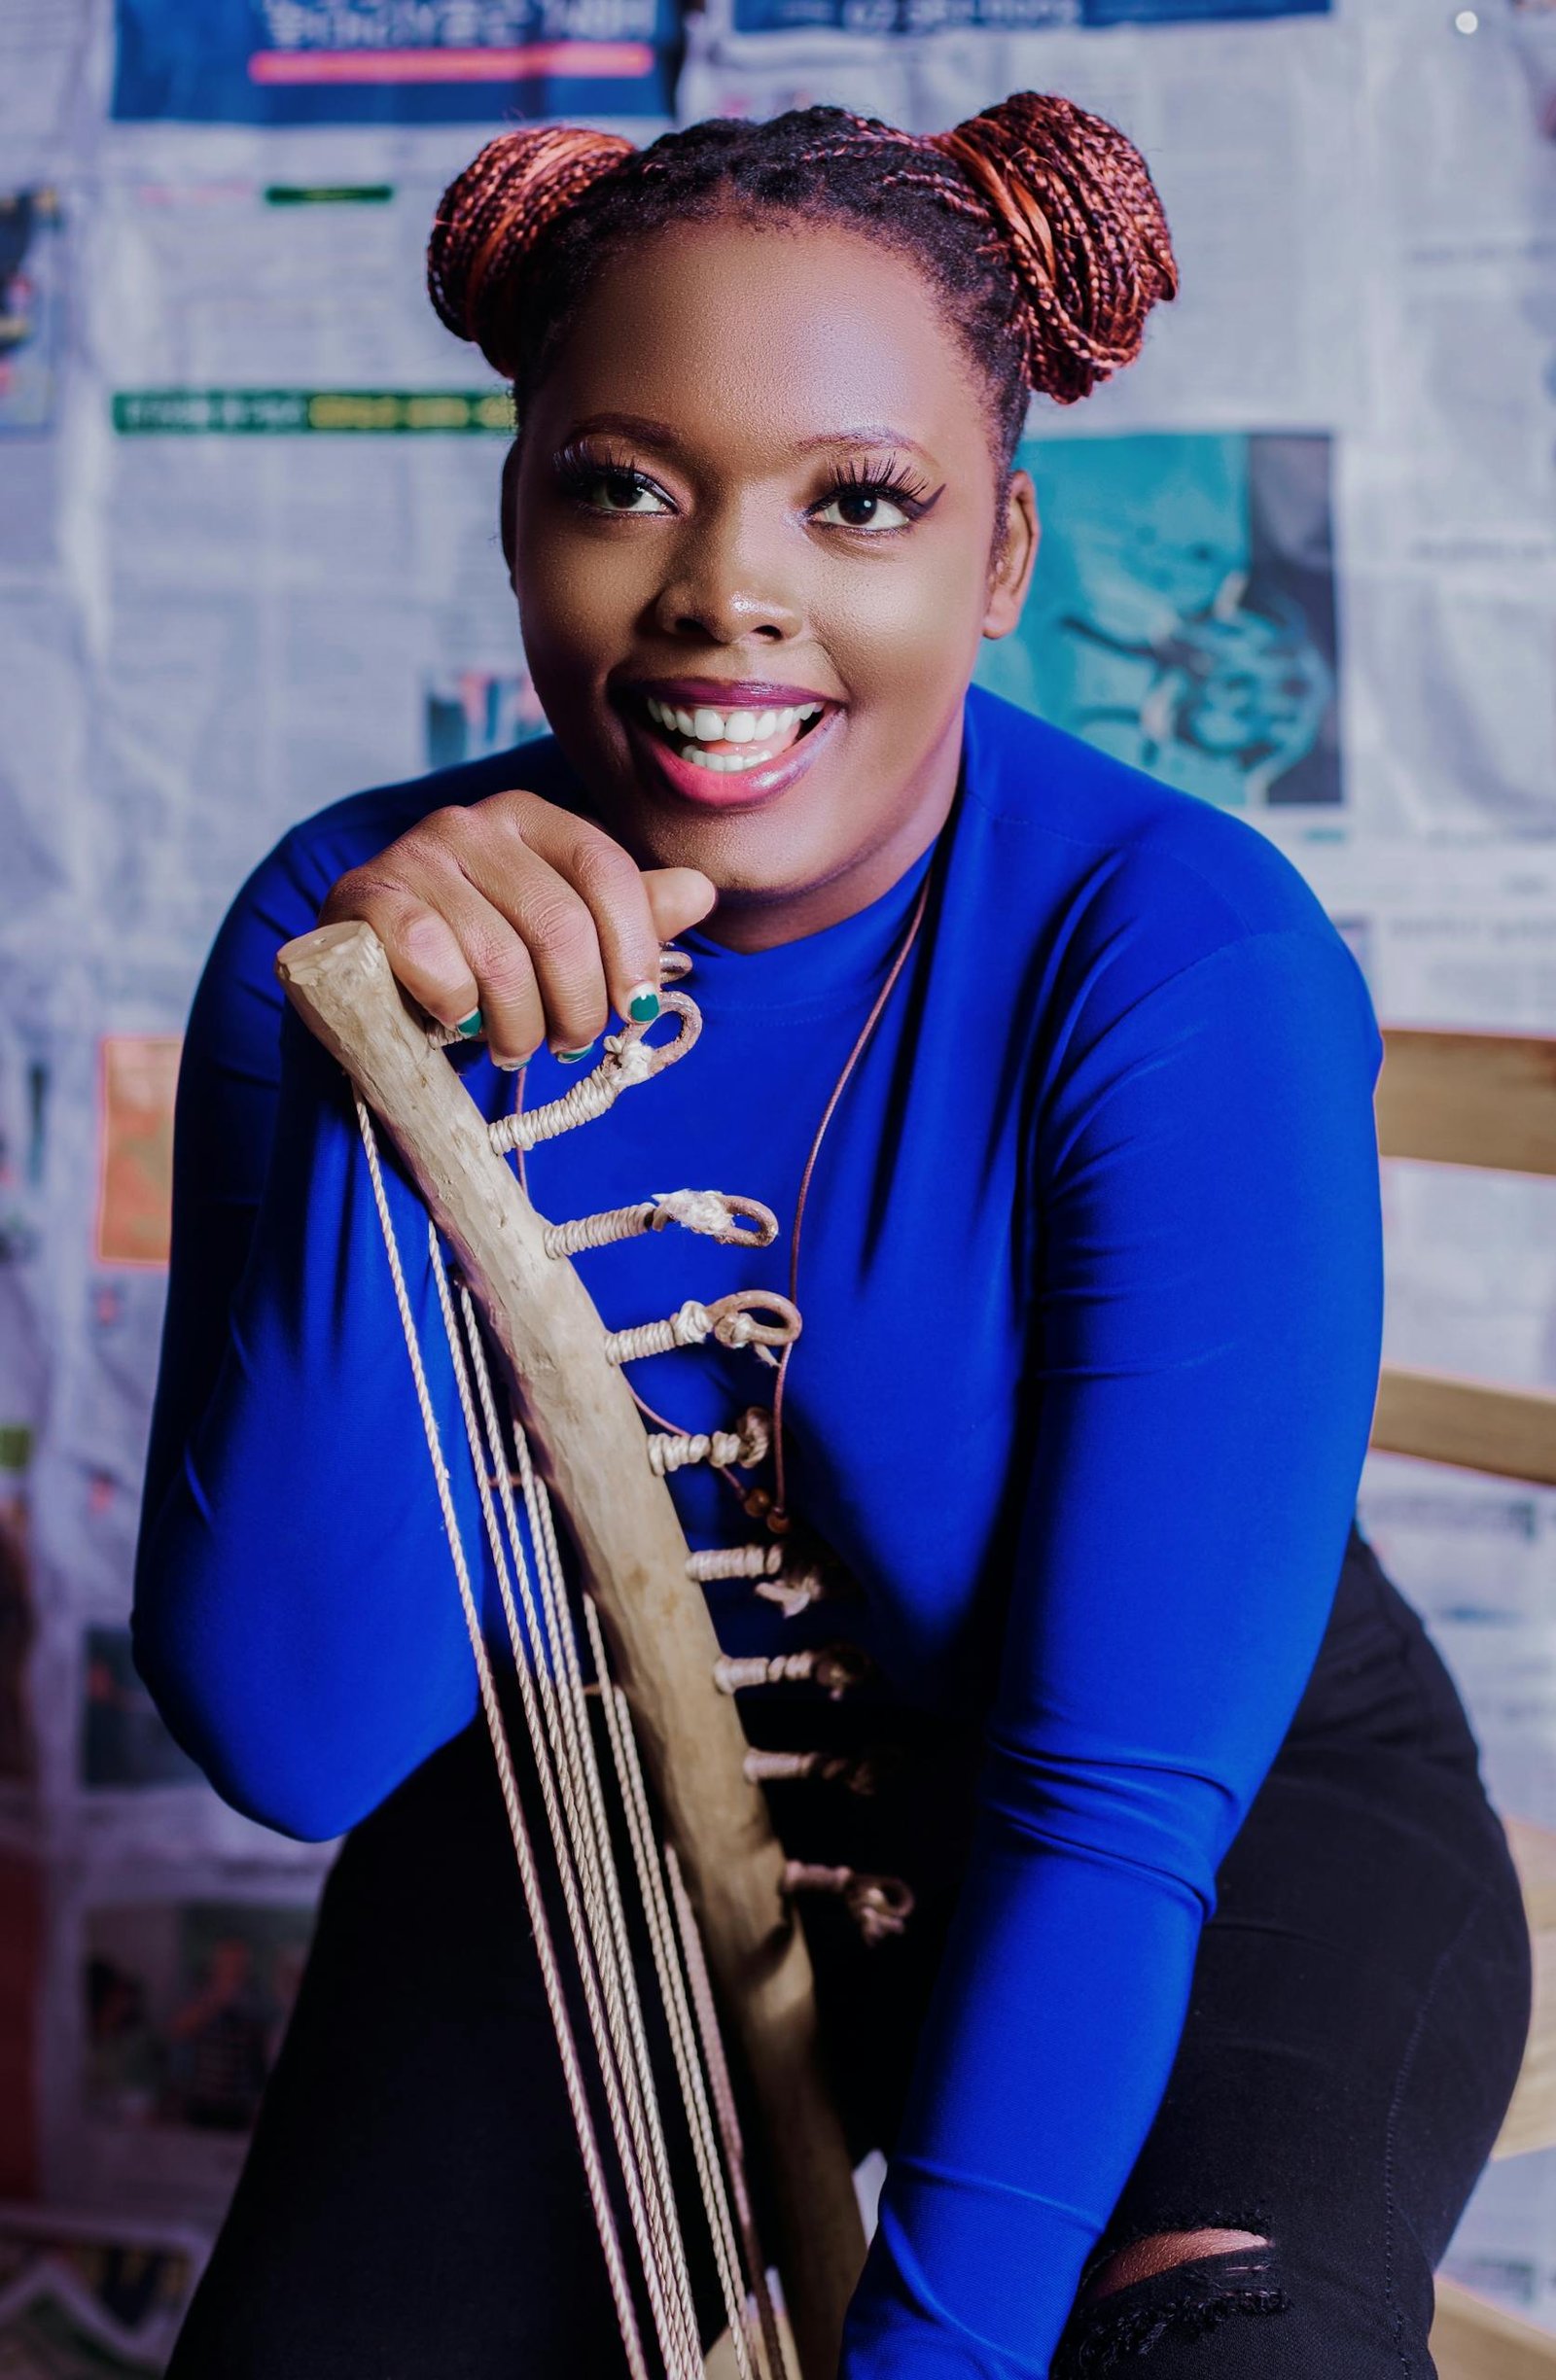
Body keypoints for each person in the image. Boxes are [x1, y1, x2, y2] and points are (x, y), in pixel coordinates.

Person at [133, 98, 1530, 2379]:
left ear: (996, 558)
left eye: (856, 501)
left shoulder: (1174, 957)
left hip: (1184, 1801)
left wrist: (937, 2357)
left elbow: (1105, 1816)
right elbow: (295, 1730)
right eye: (621, 482)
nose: (723, 592)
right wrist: (408, 1080)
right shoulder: (349, 916)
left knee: (1230, 2352)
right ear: (516, 515)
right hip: (611, 1774)